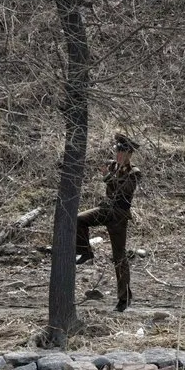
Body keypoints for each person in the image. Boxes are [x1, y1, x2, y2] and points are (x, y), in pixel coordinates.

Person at [75, 133, 141, 312]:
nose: (119, 156)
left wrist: (107, 177)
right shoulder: (112, 165)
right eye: (117, 152)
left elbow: (123, 190)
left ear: (129, 154)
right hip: (106, 210)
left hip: (119, 215)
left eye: (123, 153)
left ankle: (124, 297)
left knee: (119, 257)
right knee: (79, 219)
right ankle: (85, 251)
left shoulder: (134, 172)